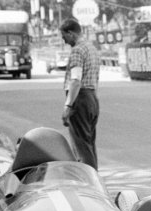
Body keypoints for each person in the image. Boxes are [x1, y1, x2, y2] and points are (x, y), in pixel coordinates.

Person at [60, 17, 100, 170]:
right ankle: (93, 177)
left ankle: (88, 182)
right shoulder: (92, 49)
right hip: (92, 98)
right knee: (88, 143)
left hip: (80, 98)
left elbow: (76, 80)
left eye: (64, 36)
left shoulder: (77, 51)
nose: (64, 41)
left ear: (71, 33)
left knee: (81, 146)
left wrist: (68, 105)